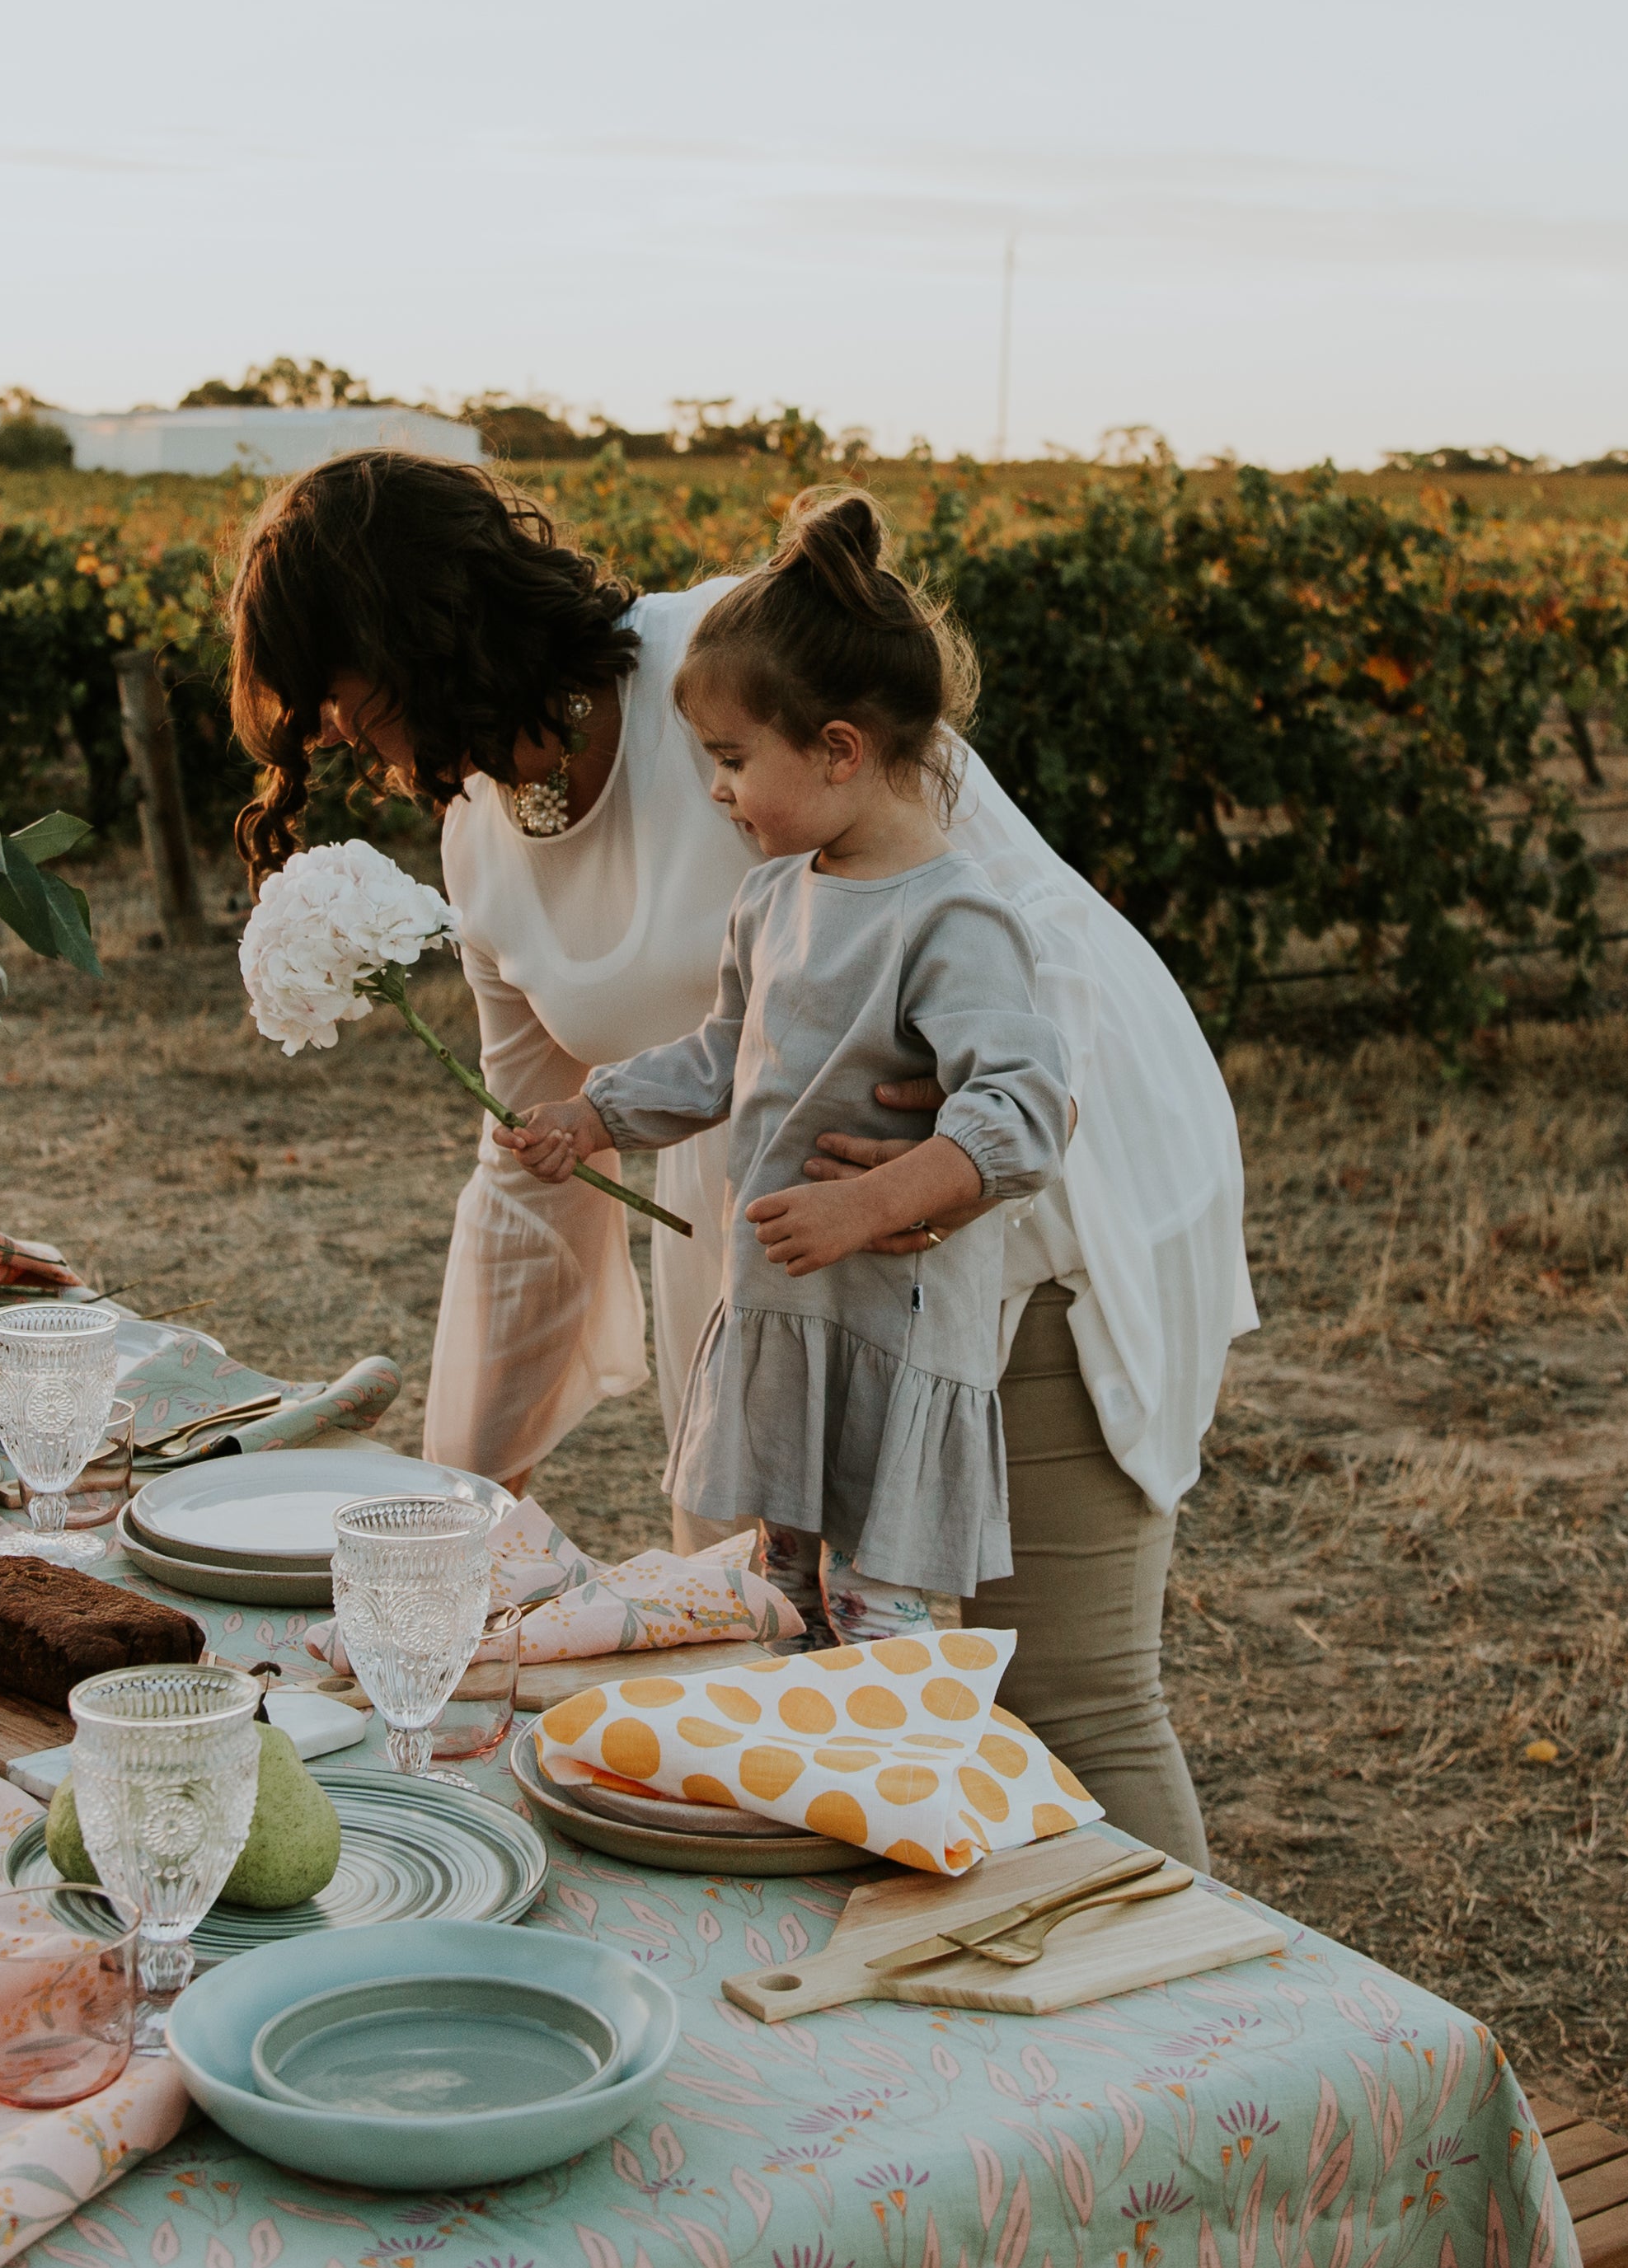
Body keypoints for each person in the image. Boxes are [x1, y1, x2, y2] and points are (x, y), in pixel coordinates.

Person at [228, 452, 1252, 1866]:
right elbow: (528, 1172)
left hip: (1026, 1196)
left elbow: (1026, 938)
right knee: (793, 1675)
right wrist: (457, 1502)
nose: (355, 744)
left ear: (430, 636)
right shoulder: (480, 845)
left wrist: (935, 1164)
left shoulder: (735, 665)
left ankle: (1201, 2056)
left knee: (1063, 1695)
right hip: (784, 1262)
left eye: (358, 702)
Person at [500, 494, 1067, 1651]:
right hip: (782, 1310)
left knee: (879, 1615)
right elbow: (722, 1054)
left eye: (730, 759)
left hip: (886, 1325)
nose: (715, 789)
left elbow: (1020, 1111)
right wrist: (595, 1113)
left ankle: (896, 1789)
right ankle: (804, 1782)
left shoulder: (954, 919)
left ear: (839, 750)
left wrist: (874, 1202)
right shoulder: (770, 900)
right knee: (784, 1596)